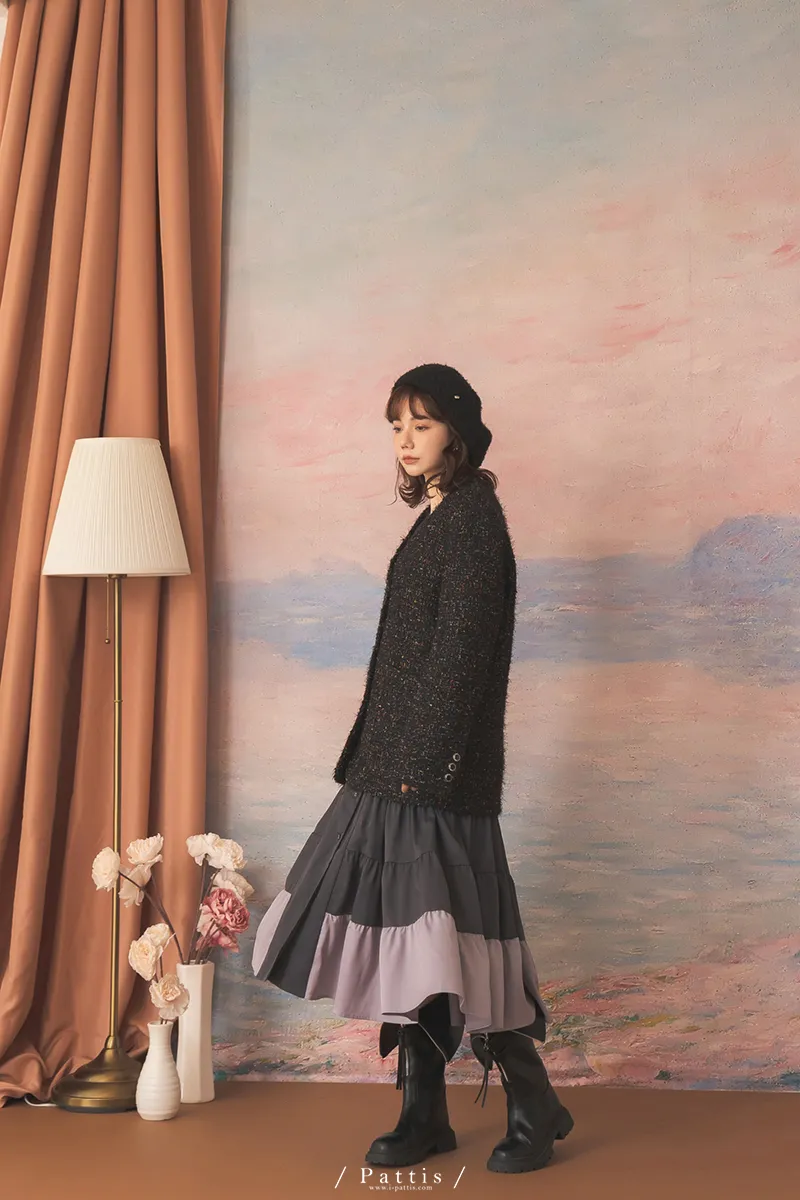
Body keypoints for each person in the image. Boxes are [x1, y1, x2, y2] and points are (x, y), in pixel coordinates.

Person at [252, 363, 574, 1174]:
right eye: (396, 423)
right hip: (395, 766)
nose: (404, 438)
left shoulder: (472, 522)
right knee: (416, 942)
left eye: (422, 424)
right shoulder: (439, 515)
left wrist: (421, 768)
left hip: (433, 775)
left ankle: (533, 1102)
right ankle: (423, 1112)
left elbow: (459, 660)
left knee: (454, 940)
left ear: (457, 434)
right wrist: (391, 764)